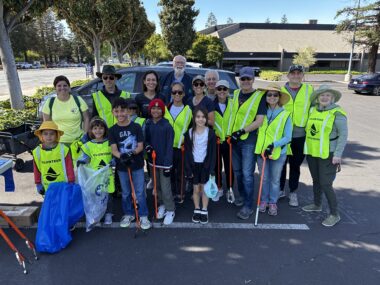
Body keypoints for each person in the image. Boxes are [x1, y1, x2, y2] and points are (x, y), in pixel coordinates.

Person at [302, 85, 348, 227]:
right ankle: (317, 204)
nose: (324, 97)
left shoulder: (337, 113)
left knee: (326, 183)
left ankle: (334, 214)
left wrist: (338, 154)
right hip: (312, 152)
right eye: (322, 95)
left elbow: (343, 135)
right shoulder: (312, 110)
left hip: (329, 154)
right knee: (316, 180)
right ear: (317, 98)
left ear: (332, 98)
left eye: (328, 95)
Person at [108, 97, 151, 230]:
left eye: (122, 111)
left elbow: (140, 145)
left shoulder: (136, 126)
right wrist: (122, 156)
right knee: (126, 192)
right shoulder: (112, 130)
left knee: (139, 191)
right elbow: (114, 149)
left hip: (137, 164)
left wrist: (131, 154)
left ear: (128, 111)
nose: (120, 114)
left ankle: (143, 215)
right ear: (113, 112)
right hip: (122, 166)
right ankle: (128, 213)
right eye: (116, 111)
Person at [230, 67, 266, 220]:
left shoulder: (259, 96)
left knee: (247, 174)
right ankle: (243, 197)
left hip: (248, 141)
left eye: (248, 79)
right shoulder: (236, 94)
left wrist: (242, 131)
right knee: (237, 172)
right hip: (234, 140)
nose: (245, 81)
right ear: (239, 79)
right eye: (243, 79)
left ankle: (248, 206)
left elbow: (259, 120)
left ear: (253, 80)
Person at [255, 83, 292, 216]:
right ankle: (264, 200)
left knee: (275, 179)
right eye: (269, 94)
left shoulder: (286, 114)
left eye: (275, 95)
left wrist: (273, 145)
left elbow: (288, 137)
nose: (272, 97)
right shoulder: (261, 112)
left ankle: (272, 202)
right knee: (264, 178)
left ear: (279, 97)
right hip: (261, 152)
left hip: (278, 152)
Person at [280, 65, 314, 207]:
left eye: (298, 73)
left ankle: (293, 192)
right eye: (292, 73)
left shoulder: (309, 90)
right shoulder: (280, 91)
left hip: (300, 135)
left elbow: (315, 108)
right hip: (282, 134)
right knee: (280, 165)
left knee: (295, 166)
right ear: (288, 76)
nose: (295, 75)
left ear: (302, 75)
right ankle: (280, 190)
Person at [77, 117, 115, 225]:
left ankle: (108, 214)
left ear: (105, 130)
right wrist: (82, 161)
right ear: (91, 131)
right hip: (94, 176)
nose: (98, 131)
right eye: (95, 128)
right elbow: (86, 158)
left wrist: (113, 161)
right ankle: (97, 215)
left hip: (107, 175)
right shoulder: (88, 146)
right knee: (95, 196)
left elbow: (114, 155)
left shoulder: (109, 143)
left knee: (108, 195)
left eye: (101, 128)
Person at [145, 99, 176, 225]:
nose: (155, 111)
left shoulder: (167, 126)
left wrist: (168, 164)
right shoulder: (148, 124)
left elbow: (169, 147)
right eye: (153, 108)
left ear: (162, 111)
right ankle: (162, 204)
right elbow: (146, 140)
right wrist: (148, 146)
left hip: (164, 163)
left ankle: (170, 209)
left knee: (165, 187)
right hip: (153, 162)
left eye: (158, 109)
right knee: (157, 187)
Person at [184, 107, 216, 224]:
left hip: (205, 165)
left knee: (204, 189)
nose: (201, 119)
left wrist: (211, 169)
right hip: (194, 165)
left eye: (203, 117)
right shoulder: (189, 133)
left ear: (206, 118)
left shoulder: (211, 133)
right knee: (196, 189)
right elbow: (187, 152)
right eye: (198, 117)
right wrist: (188, 168)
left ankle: (204, 209)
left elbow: (213, 153)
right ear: (194, 118)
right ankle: (197, 208)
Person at [42, 75, 90, 146]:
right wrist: (49, 141)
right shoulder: (50, 102)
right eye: (59, 86)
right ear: (55, 88)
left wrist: (85, 135)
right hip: (58, 143)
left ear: (69, 87)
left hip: (78, 141)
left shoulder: (78, 100)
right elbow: (47, 124)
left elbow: (86, 118)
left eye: (65, 85)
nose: (62, 88)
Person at [32, 121, 75, 195]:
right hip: (47, 186)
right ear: (41, 135)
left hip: (64, 185)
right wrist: (38, 183)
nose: (49, 136)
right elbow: (36, 169)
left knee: (63, 205)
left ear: (57, 135)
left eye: (52, 134)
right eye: (45, 134)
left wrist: (71, 181)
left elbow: (69, 166)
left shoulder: (63, 149)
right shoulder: (37, 151)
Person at [212, 80, 234, 202]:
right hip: (217, 141)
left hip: (230, 141)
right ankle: (219, 188)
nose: (221, 91)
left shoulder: (233, 103)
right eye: (219, 89)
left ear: (228, 91)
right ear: (215, 91)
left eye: (224, 89)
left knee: (230, 165)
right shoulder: (211, 104)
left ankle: (230, 189)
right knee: (217, 166)